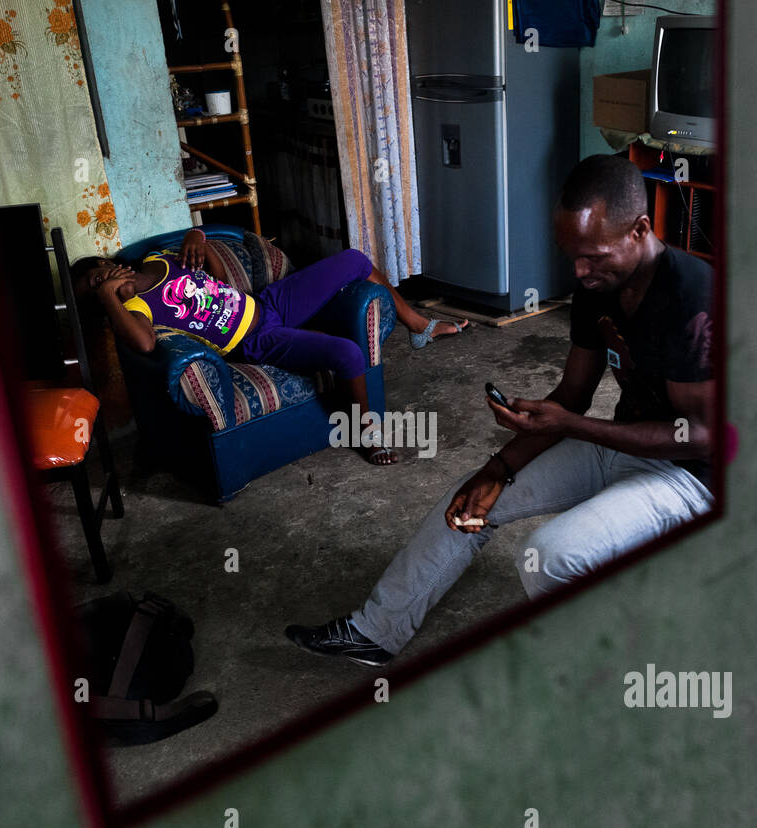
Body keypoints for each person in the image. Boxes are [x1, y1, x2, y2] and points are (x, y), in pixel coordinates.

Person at [286, 154, 716, 664]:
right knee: (469, 500)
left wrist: (575, 426)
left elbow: (701, 435)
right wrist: (498, 467)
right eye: (572, 256)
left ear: (640, 229)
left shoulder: (690, 295)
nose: (581, 271)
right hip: (617, 442)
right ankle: (375, 631)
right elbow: (572, 397)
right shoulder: (596, 288)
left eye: (594, 256)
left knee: (549, 556)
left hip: (691, 477)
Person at [72, 229, 465, 465]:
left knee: (354, 259)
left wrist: (199, 239)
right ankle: (365, 431)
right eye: (96, 289)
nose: (102, 280)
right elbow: (142, 341)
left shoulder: (157, 259)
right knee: (347, 353)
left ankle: (418, 324)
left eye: (96, 274)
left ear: (106, 261)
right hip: (254, 340)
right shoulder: (137, 309)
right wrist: (109, 299)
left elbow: (221, 278)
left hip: (267, 302)